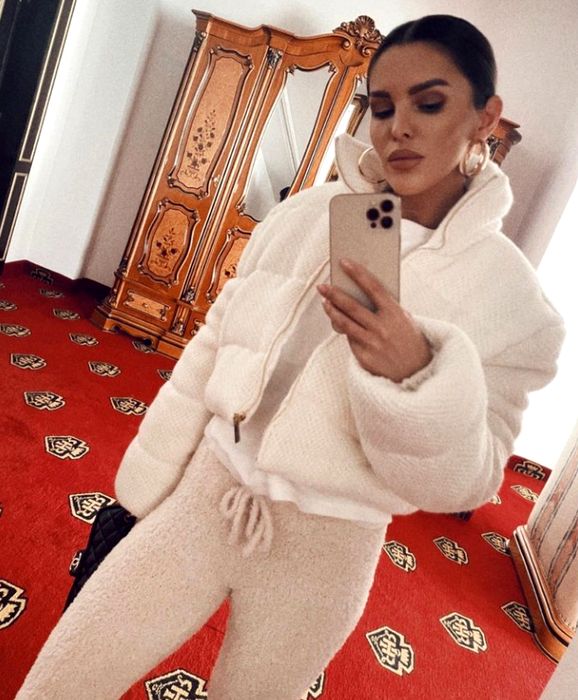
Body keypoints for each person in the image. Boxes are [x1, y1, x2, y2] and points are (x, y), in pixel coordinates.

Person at [17, 14, 565, 700]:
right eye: (382, 106)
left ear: (485, 117)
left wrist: (414, 375)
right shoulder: (308, 213)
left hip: (323, 554)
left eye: (429, 104)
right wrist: (144, 486)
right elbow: (213, 347)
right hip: (205, 495)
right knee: (61, 682)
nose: (398, 127)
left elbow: (468, 482)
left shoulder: (515, 306)